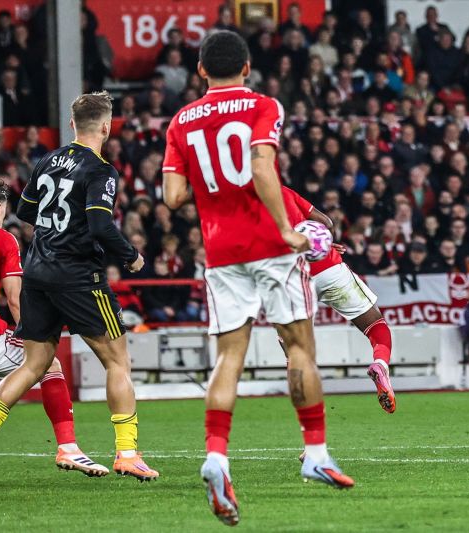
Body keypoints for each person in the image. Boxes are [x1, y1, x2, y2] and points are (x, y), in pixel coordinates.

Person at [161, 31, 352, 526]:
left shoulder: (181, 122)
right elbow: (263, 167)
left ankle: (217, 457)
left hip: (221, 250)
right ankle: (315, 454)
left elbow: (172, 197)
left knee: (229, 357)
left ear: (200, 70)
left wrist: (212, 188)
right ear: (246, 67)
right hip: (269, 246)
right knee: (299, 349)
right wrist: (286, 228)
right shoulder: (263, 105)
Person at [0, 92, 158, 480]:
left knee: (34, 365)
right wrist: (130, 255)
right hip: (79, 277)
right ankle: (127, 453)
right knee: (118, 362)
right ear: (106, 127)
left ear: (72, 125)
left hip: (38, 271)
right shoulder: (101, 170)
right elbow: (102, 226)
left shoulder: (47, 160)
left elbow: (24, 211)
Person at [0, 179, 107, 476]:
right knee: (48, 363)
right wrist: (28, 331)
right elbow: (15, 299)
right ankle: (68, 447)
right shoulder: (3, 239)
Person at [282, 186, 395, 413]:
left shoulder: (243, 208)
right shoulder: (283, 191)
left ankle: (311, 440)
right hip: (328, 268)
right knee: (375, 326)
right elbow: (325, 222)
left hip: (291, 279)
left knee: (297, 358)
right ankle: (380, 364)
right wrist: (319, 243)